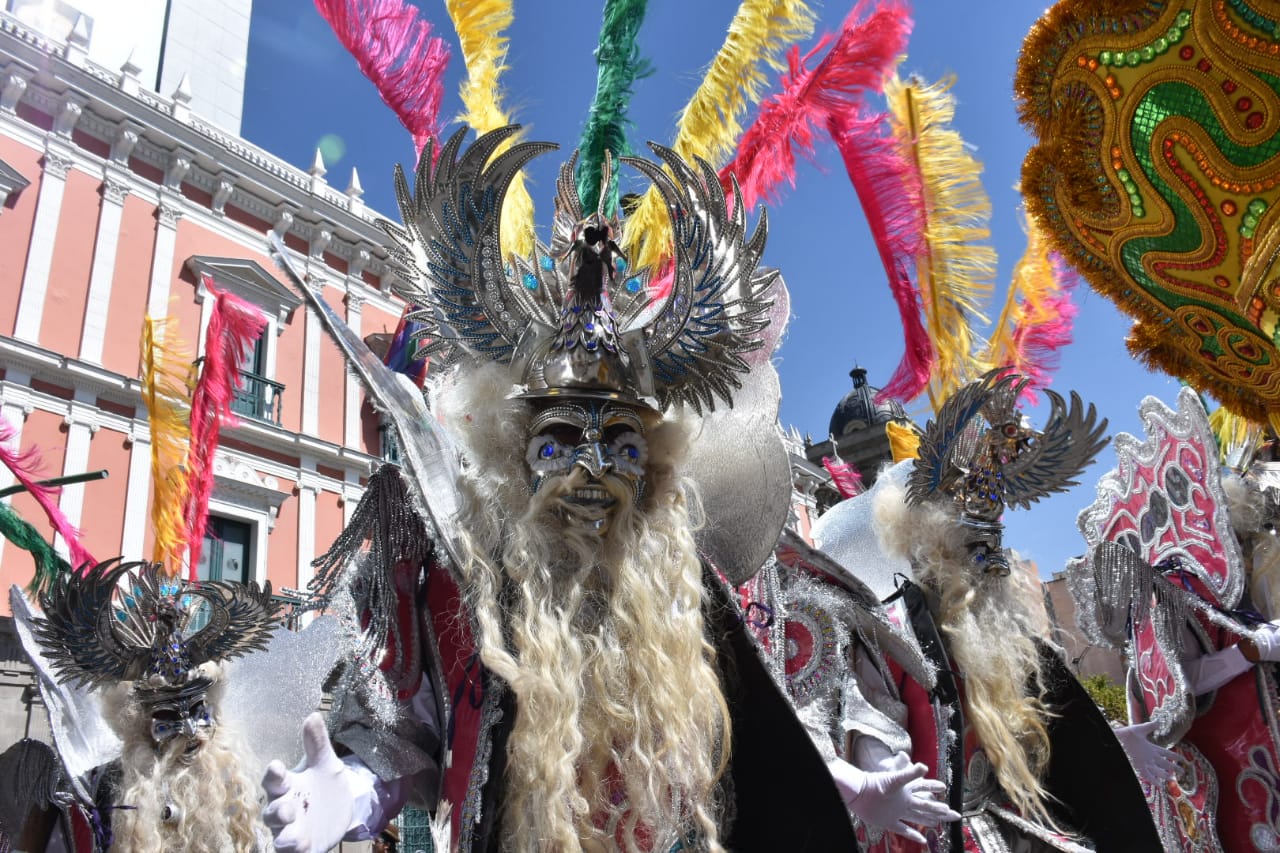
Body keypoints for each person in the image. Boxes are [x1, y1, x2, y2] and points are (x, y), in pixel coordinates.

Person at [260, 127, 891, 851]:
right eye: (560, 439)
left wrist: (843, 786)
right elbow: (400, 737)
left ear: (655, 468)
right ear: (514, 455)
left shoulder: (697, 597)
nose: (591, 467)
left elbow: (757, 739)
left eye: (622, 443)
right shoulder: (453, 586)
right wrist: (350, 793)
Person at [811, 371, 1163, 851]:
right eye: (973, 548)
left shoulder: (1001, 637)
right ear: (933, 553)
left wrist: (1110, 749)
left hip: (1011, 823)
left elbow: (1043, 723)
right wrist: (878, 774)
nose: (991, 564)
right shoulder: (887, 633)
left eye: (991, 545)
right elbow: (872, 715)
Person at [1072, 387, 1280, 851]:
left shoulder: (1253, 573)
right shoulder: (1168, 593)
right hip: (1237, 767)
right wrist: (1250, 651)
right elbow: (1169, 693)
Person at [19, 559, 279, 852]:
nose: (191, 730)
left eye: (199, 712)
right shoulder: (98, 789)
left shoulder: (237, 789)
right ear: (139, 724)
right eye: (169, 716)